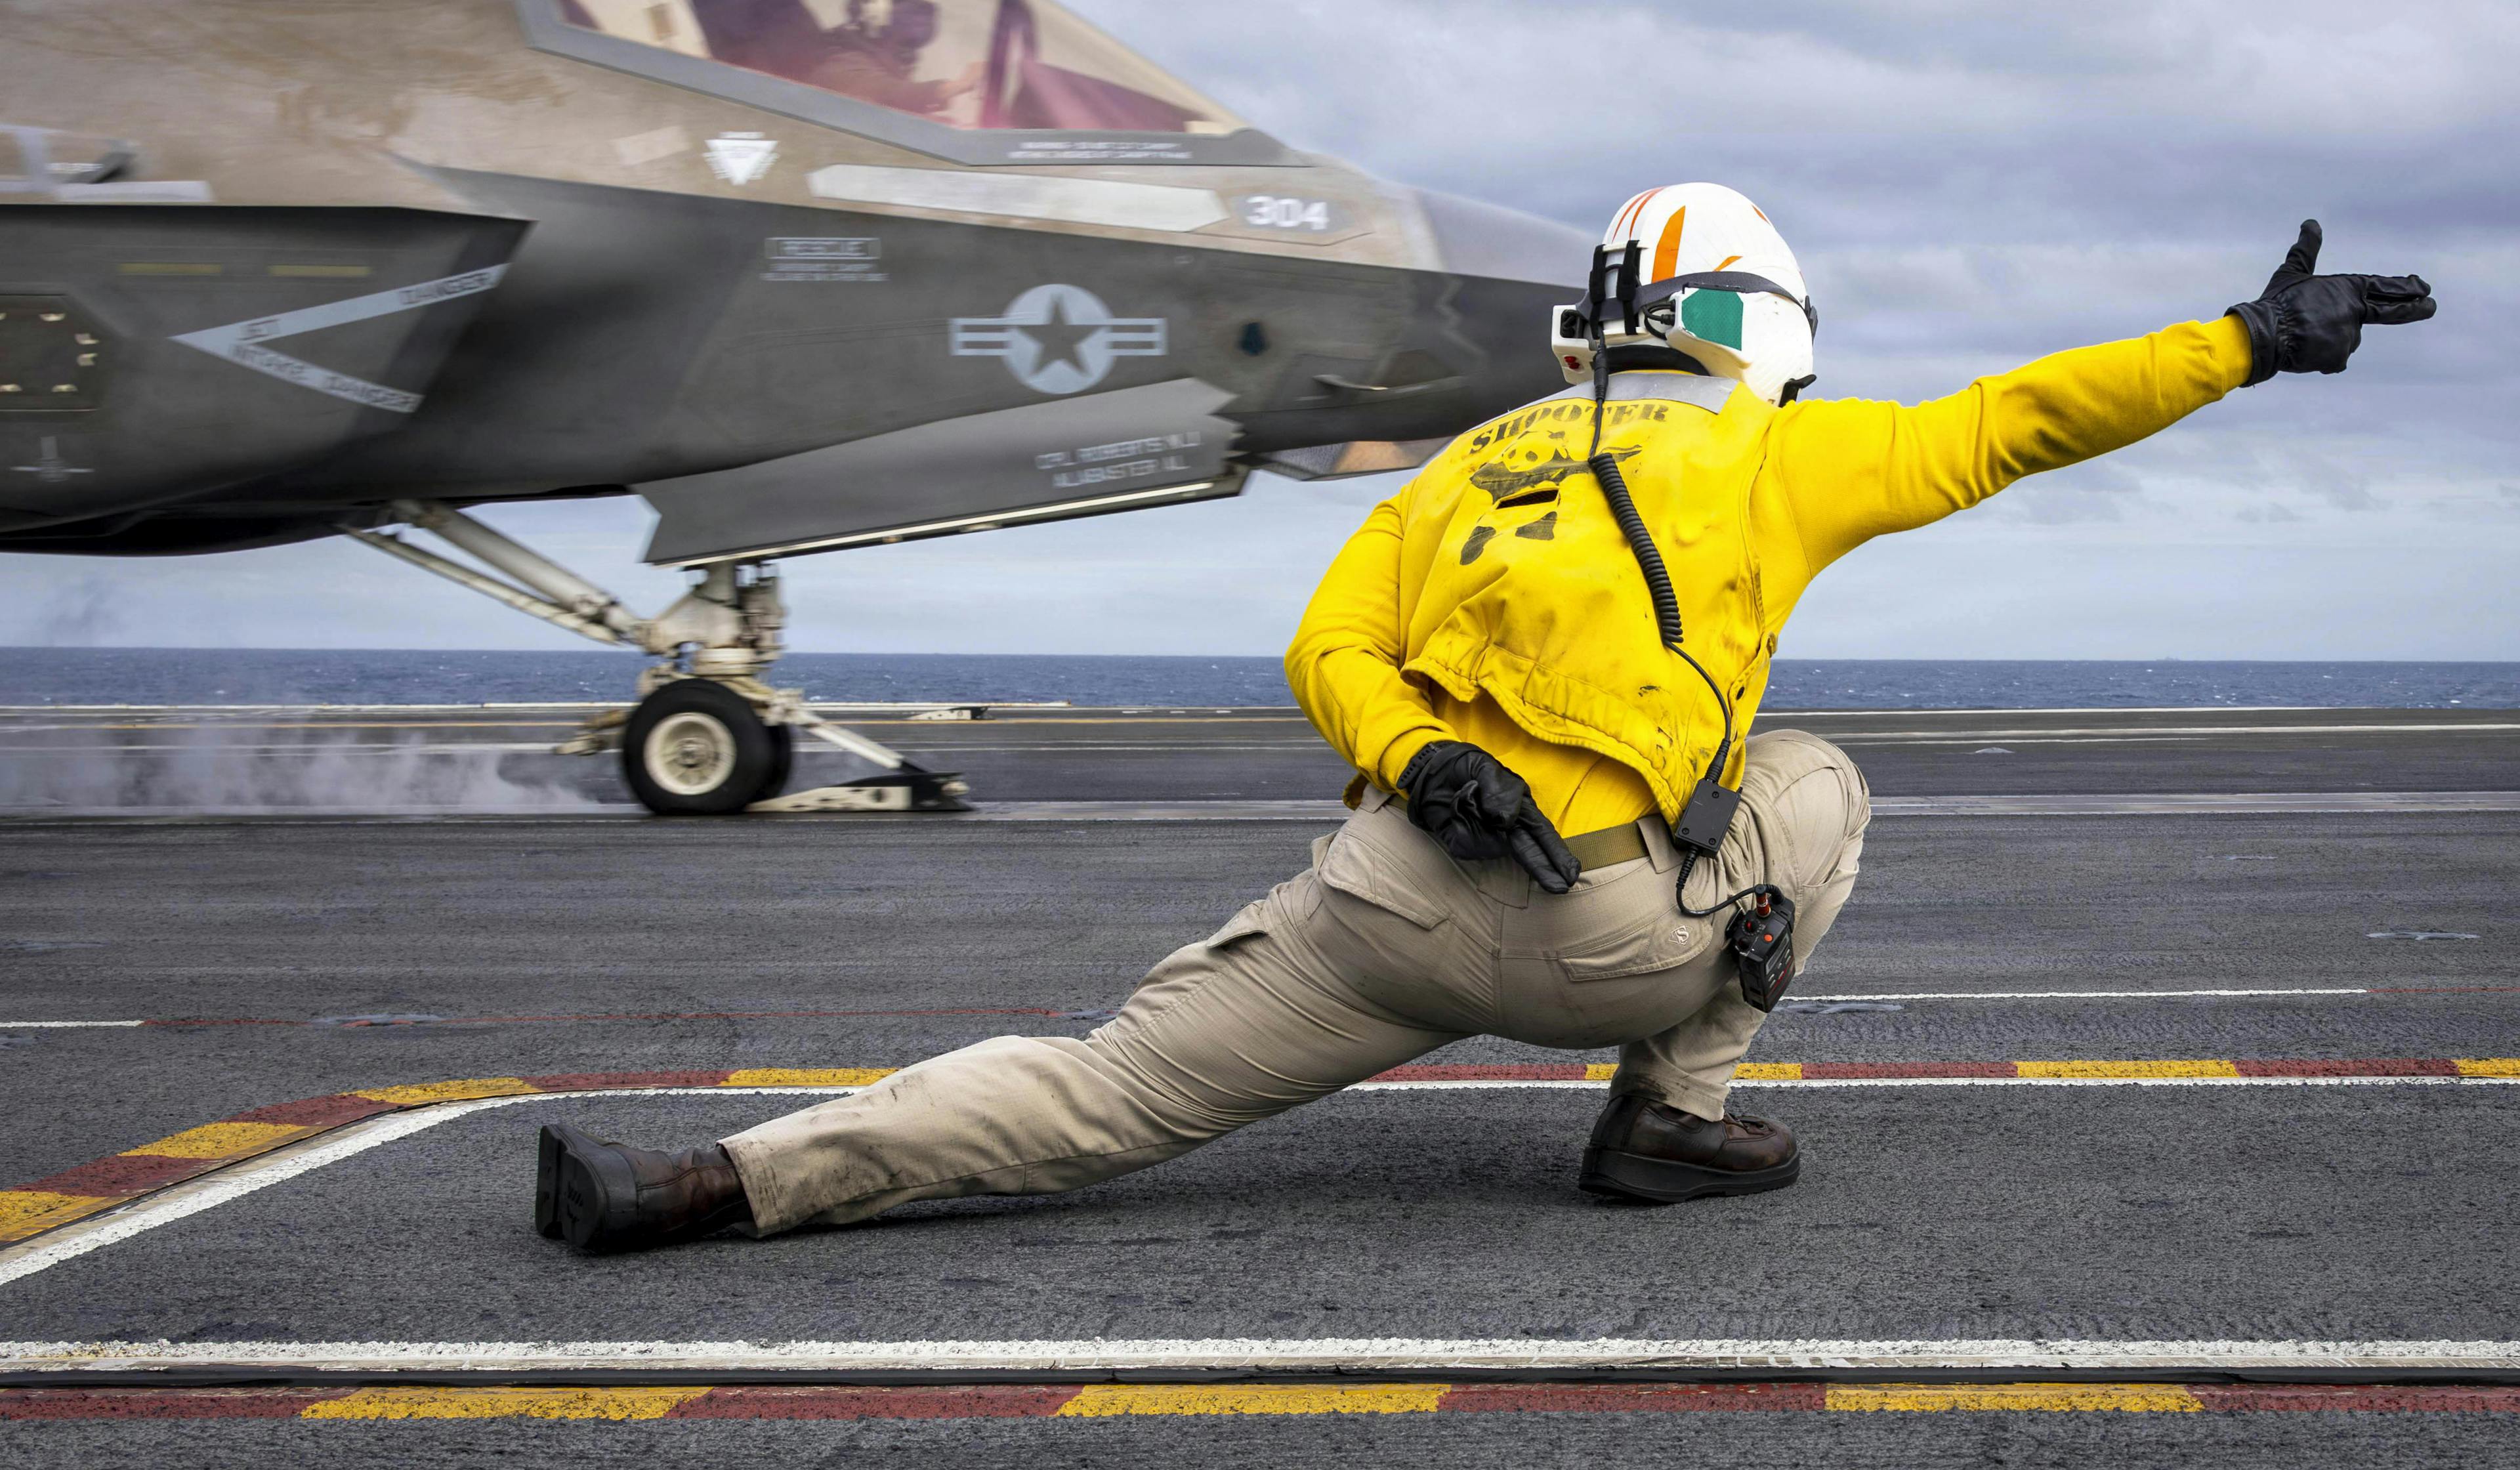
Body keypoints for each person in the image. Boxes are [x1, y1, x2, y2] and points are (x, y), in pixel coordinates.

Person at [533, 186, 2433, 1251]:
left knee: (1099, 1090)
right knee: (1817, 782)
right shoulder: (1777, 454)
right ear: (1758, 330)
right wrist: (2247, 342)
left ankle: (703, 1183)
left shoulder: (1463, 465)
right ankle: (1676, 1119)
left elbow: (1323, 650)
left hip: (1382, 909)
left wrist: (1423, 757)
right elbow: (2019, 419)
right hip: (1611, 938)